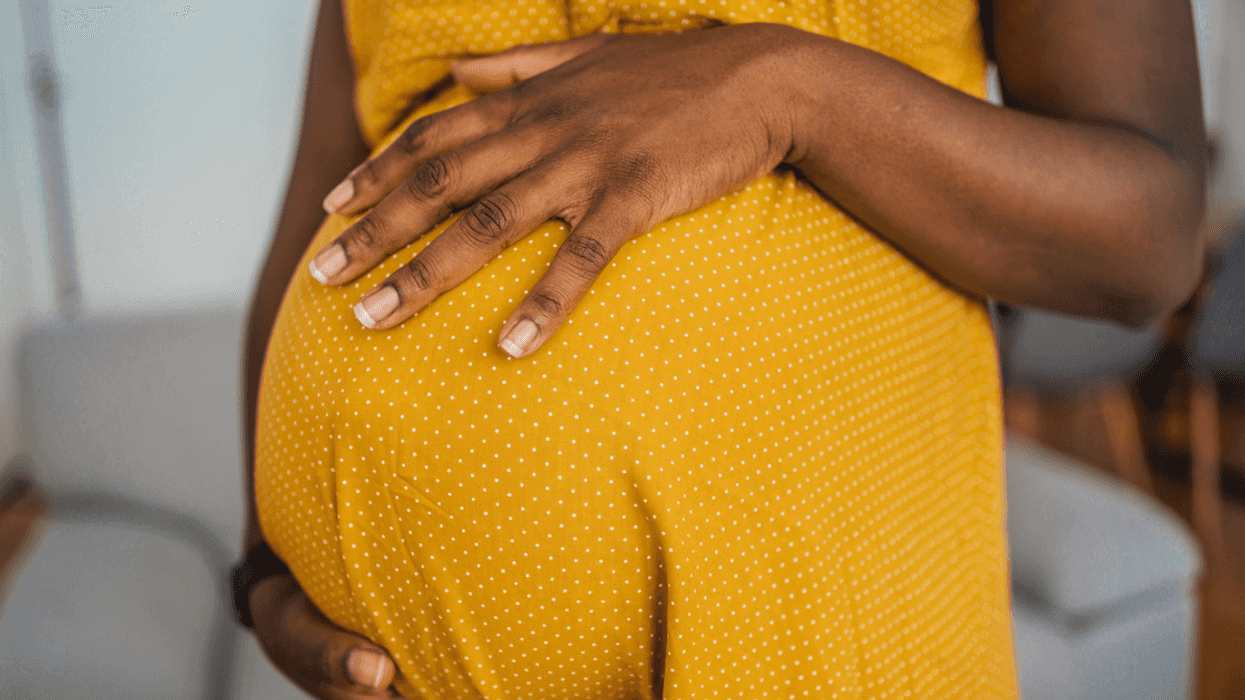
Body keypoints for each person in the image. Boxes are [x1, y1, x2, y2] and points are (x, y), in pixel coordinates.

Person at [232, 0, 1207, 697]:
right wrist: (265, 562)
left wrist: (788, 92)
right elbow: (326, 195)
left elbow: (1150, 236)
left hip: (802, 618)